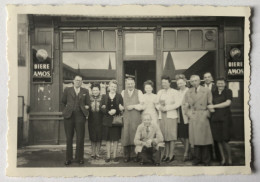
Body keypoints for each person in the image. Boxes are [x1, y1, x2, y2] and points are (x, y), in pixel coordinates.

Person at [183, 75, 213, 166]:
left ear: (200, 81)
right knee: (195, 139)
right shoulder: (189, 92)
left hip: (203, 115)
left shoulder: (206, 90)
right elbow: (185, 105)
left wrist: (207, 114)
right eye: (192, 81)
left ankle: (206, 160)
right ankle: (197, 158)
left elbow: (210, 103)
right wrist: (189, 114)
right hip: (194, 116)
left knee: (204, 139)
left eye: (196, 80)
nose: (194, 83)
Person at [61, 75, 90, 165]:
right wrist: (65, 111)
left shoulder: (85, 91)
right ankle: (68, 158)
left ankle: (79, 158)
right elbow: (63, 102)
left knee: (80, 138)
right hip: (69, 117)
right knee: (69, 138)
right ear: (73, 81)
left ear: (82, 82)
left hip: (80, 116)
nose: (78, 82)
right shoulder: (67, 90)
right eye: (77, 80)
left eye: (80, 80)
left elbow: (88, 103)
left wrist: (86, 107)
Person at [207, 78, 233, 166]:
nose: (220, 84)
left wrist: (214, 106)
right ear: (216, 84)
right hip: (215, 118)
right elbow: (209, 103)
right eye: (219, 83)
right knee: (218, 140)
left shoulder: (228, 91)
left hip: (225, 118)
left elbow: (227, 103)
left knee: (225, 140)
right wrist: (210, 107)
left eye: (222, 83)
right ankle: (223, 159)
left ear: (225, 84)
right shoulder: (213, 92)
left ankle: (229, 159)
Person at [156, 76, 181, 163]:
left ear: (169, 83)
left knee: (171, 136)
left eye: (166, 83)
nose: (164, 84)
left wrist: (166, 108)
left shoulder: (175, 92)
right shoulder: (160, 92)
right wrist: (159, 107)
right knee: (165, 136)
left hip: (171, 116)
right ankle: (166, 154)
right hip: (162, 116)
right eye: (163, 83)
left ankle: (171, 154)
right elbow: (156, 103)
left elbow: (178, 104)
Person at [121, 77, 145, 162]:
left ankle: (136, 155)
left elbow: (143, 106)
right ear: (126, 84)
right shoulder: (123, 92)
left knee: (136, 135)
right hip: (126, 116)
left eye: (131, 84)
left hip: (135, 117)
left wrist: (134, 106)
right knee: (126, 135)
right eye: (128, 84)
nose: (130, 85)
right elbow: (120, 103)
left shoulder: (139, 92)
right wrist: (120, 107)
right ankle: (126, 156)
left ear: (134, 84)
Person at [101, 80, 124, 162]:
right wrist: (108, 111)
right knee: (107, 139)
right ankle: (108, 156)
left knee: (115, 139)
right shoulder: (104, 96)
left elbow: (121, 108)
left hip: (116, 120)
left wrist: (116, 111)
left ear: (116, 88)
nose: (113, 88)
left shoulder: (119, 96)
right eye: (112, 86)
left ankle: (115, 155)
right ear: (109, 87)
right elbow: (102, 108)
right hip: (107, 120)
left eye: (115, 87)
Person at [176, 78, 190, 162]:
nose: (180, 85)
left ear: (185, 82)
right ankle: (188, 150)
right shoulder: (177, 92)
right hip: (179, 114)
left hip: (187, 115)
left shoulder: (189, 91)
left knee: (186, 135)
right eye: (178, 83)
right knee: (180, 136)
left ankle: (186, 153)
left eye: (181, 83)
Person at [88, 83, 103, 159]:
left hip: (100, 120)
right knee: (92, 135)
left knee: (99, 136)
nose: (95, 91)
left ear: (99, 90)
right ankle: (93, 152)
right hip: (91, 119)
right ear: (91, 91)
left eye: (96, 90)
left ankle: (98, 152)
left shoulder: (102, 98)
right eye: (93, 90)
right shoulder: (89, 98)